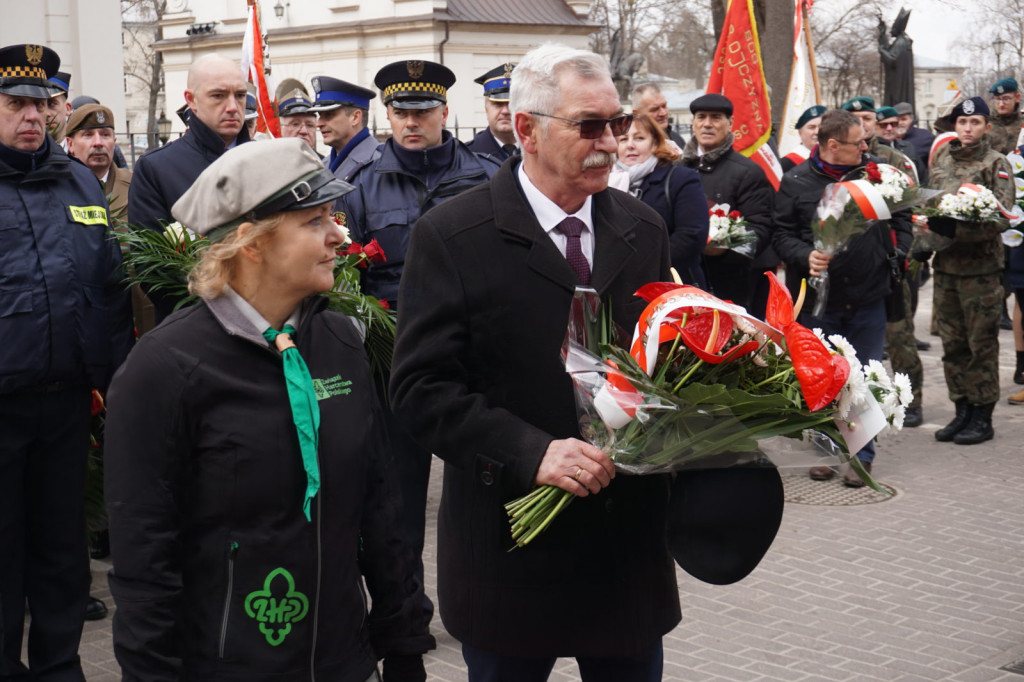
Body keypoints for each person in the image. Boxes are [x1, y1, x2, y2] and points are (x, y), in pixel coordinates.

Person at [389, 43, 782, 682]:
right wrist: (529, 450)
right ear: (526, 129)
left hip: (622, 547)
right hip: (511, 544)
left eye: (617, 123)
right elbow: (420, 390)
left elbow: (661, 363)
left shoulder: (642, 227)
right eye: (589, 125)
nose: (611, 141)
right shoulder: (453, 235)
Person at [104, 137, 435, 681]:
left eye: (334, 217)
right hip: (230, 666)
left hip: (342, 660)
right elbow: (144, 561)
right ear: (249, 243)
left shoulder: (340, 341)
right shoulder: (164, 368)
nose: (339, 236)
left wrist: (403, 646)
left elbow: (381, 510)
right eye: (313, 221)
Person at [337, 58, 500, 632]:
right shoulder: (358, 183)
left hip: (472, 359)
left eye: (422, 112)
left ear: (444, 112)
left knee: (483, 487)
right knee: (398, 500)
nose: (411, 122)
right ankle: (406, 614)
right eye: (401, 112)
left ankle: (486, 604)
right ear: (387, 114)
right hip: (394, 361)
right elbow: (342, 279)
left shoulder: (486, 177)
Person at [0, 43, 132, 680]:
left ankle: (59, 669)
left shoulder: (76, 179)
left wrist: (116, 383)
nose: (32, 116)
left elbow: (107, 289)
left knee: (61, 555)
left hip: (67, 404)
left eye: (40, 104)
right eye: (15, 104)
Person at [773, 109, 913, 485]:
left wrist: (897, 255)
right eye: (858, 142)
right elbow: (781, 233)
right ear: (833, 145)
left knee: (865, 375)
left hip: (869, 295)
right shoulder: (796, 181)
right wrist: (806, 255)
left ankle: (862, 454)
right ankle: (826, 450)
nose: (866, 147)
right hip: (820, 301)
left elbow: (903, 218)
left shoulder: (876, 174)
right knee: (823, 378)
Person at [128, 53, 251, 322]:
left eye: (240, 96)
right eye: (218, 96)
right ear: (191, 100)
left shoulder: (268, 160)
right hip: (196, 330)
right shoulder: (157, 168)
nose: (233, 106)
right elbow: (153, 271)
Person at [925, 96, 1014, 444]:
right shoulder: (943, 158)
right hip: (946, 267)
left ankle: (982, 414)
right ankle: (961, 409)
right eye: (962, 123)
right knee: (953, 344)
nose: (967, 128)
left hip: (981, 272)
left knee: (981, 345)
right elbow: (931, 203)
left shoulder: (996, 163)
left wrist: (957, 230)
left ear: (987, 127)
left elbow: (1001, 217)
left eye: (975, 122)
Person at [680, 93, 774, 309]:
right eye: (701, 117)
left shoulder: (748, 172)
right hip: (684, 282)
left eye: (716, 118)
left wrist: (726, 247)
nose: (707, 124)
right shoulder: (676, 169)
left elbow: (761, 229)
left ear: (730, 123)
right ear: (693, 124)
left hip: (730, 285)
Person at [614, 113, 708, 286]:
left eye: (639, 138)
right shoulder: (605, 183)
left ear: (655, 143)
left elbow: (692, 236)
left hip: (670, 285)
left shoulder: (680, 179)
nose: (630, 145)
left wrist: (641, 268)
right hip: (620, 288)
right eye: (623, 139)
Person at [309, 75, 378, 182]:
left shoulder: (378, 164)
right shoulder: (324, 165)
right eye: (319, 115)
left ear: (355, 117)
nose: (319, 123)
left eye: (328, 115)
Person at [840, 96, 918, 180]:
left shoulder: (893, 157)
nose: (861, 123)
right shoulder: (835, 155)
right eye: (854, 119)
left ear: (875, 123)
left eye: (867, 119)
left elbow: (911, 190)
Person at [466, 62, 518, 161]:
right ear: (486, 109)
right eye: (497, 104)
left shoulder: (541, 151)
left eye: (512, 104)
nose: (505, 111)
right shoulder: (467, 155)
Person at [876, 105, 926, 182]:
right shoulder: (870, 149)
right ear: (875, 126)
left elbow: (922, 175)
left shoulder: (908, 147)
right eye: (884, 125)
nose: (889, 128)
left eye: (894, 124)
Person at [631, 82, 685, 149]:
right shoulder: (631, 147)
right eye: (655, 109)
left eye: (664, 106)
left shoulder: (678, 140)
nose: (663, 113)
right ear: (637, 113)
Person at [275, 77, 318, 150]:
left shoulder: (324, 161)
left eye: (310, 125)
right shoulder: (270, 161)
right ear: (280, 129)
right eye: (295, 124)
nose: (304, 131)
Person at [780, 105, 826, 172]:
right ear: (800, 133)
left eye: (822, 127)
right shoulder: (786, 164)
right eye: (811, 127)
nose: (817, 132)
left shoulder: (838, 161)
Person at [987, 78, 1023, 155]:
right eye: (998, 99)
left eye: (1006, 99)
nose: (1001, 104)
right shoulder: (986, 125)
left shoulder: (1022, 126)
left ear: (1017, 98)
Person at [45, 69, 72, 148]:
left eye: (51, 104)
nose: (46, 114)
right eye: (39, 105)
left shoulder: (81, 153)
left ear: (67, 109)